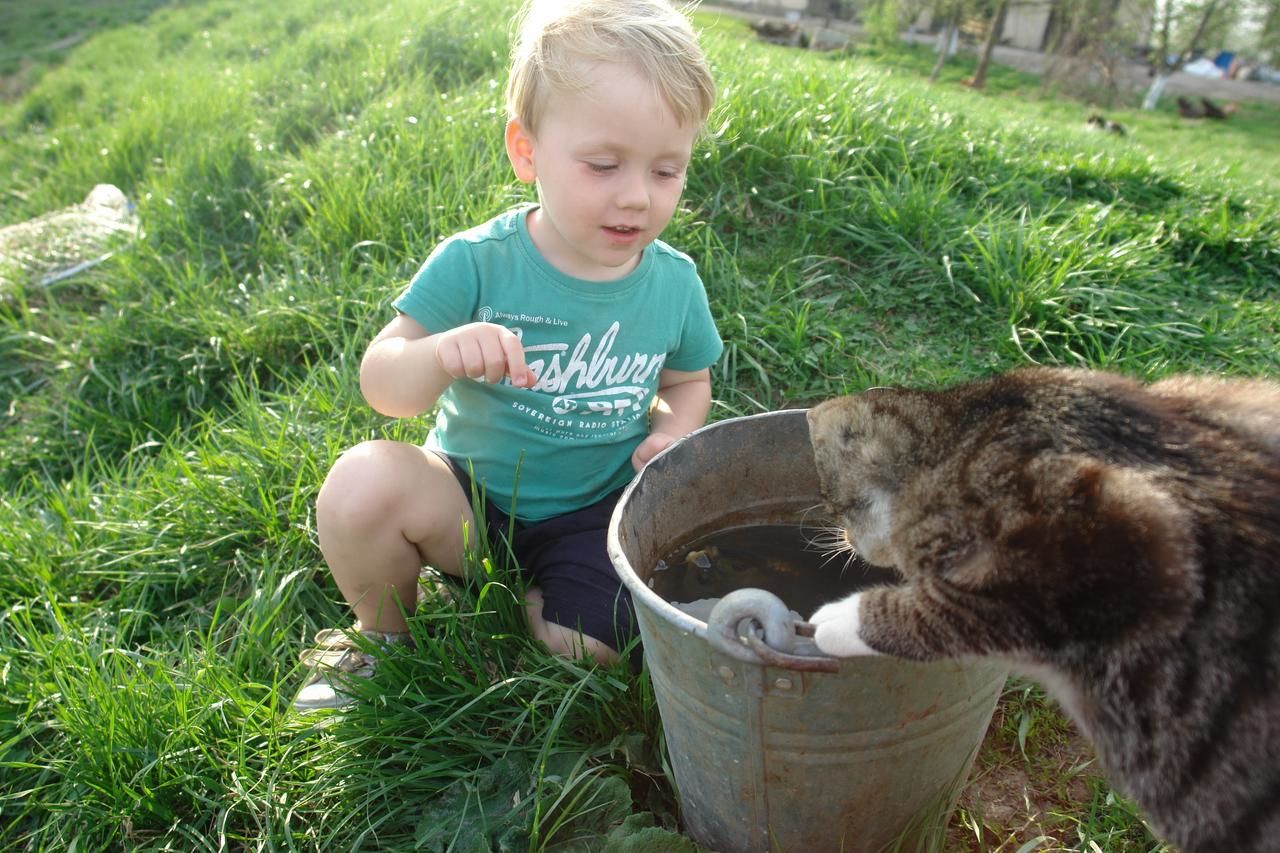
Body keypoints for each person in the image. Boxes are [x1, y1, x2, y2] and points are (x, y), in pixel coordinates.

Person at [294, 0, 722, 711]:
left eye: (667, 171)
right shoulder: (479, 262)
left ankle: (520, 608)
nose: (636, 196)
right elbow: (384, 384)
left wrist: (673, 428)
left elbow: (688, 378)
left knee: (594, 653)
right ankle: (383, 635)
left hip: (594, 513)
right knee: (360, 485)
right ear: (526, 151)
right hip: (469, 501)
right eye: (604, 164)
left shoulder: (673, 282)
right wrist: (437, 352)